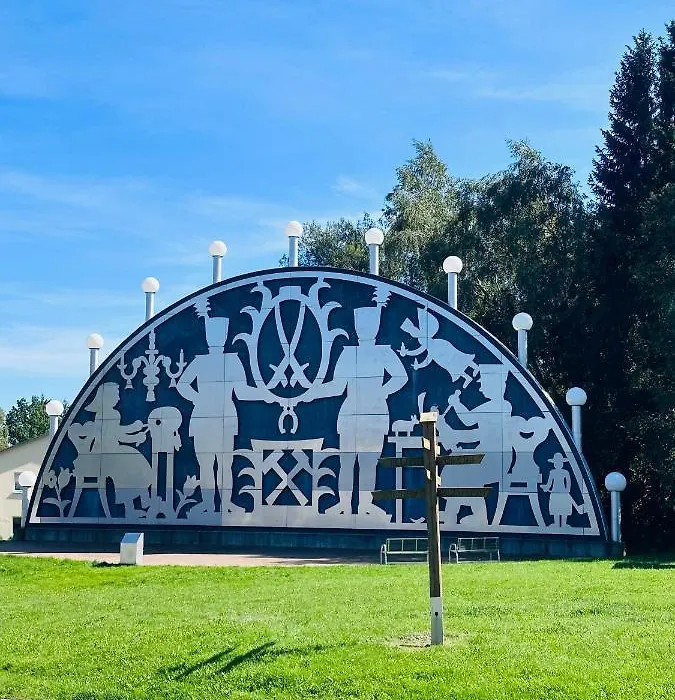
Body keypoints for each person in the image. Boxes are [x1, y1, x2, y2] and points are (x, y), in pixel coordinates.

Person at [540, 453, 583, 527]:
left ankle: (564, 524)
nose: (558, 464)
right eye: (556, 462)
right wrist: (545, 487)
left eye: (560, 462)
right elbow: (549, 483)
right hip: (554, 493)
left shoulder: (565, 472)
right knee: (556, 510)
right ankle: (556, 523)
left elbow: (568, 482)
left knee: (564, 510)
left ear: (562, 463)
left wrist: (567, 490)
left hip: (564, 493)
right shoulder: (552, 472)